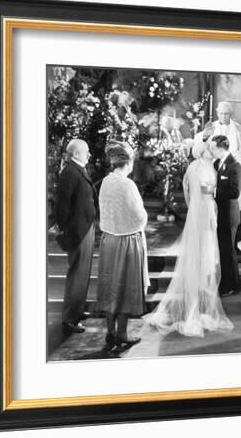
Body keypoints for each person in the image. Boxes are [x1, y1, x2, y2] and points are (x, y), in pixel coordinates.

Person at [143, 141, 233, 337]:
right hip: (203, 211)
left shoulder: (196, 166)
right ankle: (194, 310)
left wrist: (191, 203)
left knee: (202, 254)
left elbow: (185, 186)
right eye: (208, 148)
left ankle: (198, 303)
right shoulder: (201, 166)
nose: (211, 150)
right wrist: (213, 193)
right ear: (203, 152)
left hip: (200, 210)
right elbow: (203, 187)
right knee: (202, 253)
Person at [96, 141, 149, 351]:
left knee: (110, 286)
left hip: (109, 240)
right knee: (125, 286)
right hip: (127, 242)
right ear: (129, 162)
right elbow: (138, 215)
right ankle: (122, 333)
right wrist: (141, 222)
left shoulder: (106, 181)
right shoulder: (127, 184)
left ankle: (110, 331)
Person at [198, 101, 241, 255]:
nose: (223, 116)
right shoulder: (211, 127)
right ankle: (217, 245)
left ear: (230, 114)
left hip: (232, 170)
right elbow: (203, 148)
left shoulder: (238, 128)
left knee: (234, 208)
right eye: (220, 113)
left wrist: (231, 160)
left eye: (226, 113)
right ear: (217, 112)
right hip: (216, 171)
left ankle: (234, 245)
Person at [55, 139, 97, 334]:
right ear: (76, 154)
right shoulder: (69, 172)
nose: (89, 154)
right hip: (77, 230)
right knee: (77, 275)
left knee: (83, 274)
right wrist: (65, 229)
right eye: (86, 151)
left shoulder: (77, 169)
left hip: (85, 227)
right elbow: (62, 205)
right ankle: (70, 318)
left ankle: (77, 310)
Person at [205, 135, 241, 297]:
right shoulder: (216, 163)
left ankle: (232, 285)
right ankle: (224, 282)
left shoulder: (235, 165)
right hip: (219, 214)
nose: (211, 150)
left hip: (229, 214)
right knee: (222, 249)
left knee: (229, 250)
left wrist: (213, 191)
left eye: (213, 147)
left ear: (221, 147)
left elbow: (235, 192)